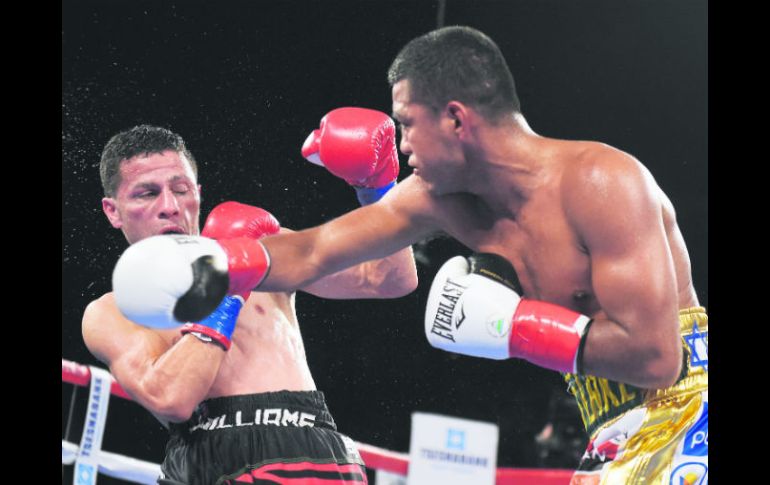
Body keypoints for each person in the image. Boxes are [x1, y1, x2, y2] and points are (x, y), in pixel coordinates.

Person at [114, 26, 708, 484]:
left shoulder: (600, 181)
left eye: (407, 124)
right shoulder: (437, 198)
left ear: (456, 119)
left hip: (690, 410)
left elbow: (655, 360)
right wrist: (223, 265)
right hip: (607, 425)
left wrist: (514, 327)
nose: (399, 144)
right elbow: (317, 249)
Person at [82, 123, 418, 485]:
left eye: (180, 190)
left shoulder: (262, 248)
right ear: (113, 211)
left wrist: (379, 188)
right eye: (146, 194)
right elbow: (171, 398)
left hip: (307, 450)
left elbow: (388, 278)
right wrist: (228, 287)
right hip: (204, 461)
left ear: (197, 194)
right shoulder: (112, 312)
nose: (170, 207)